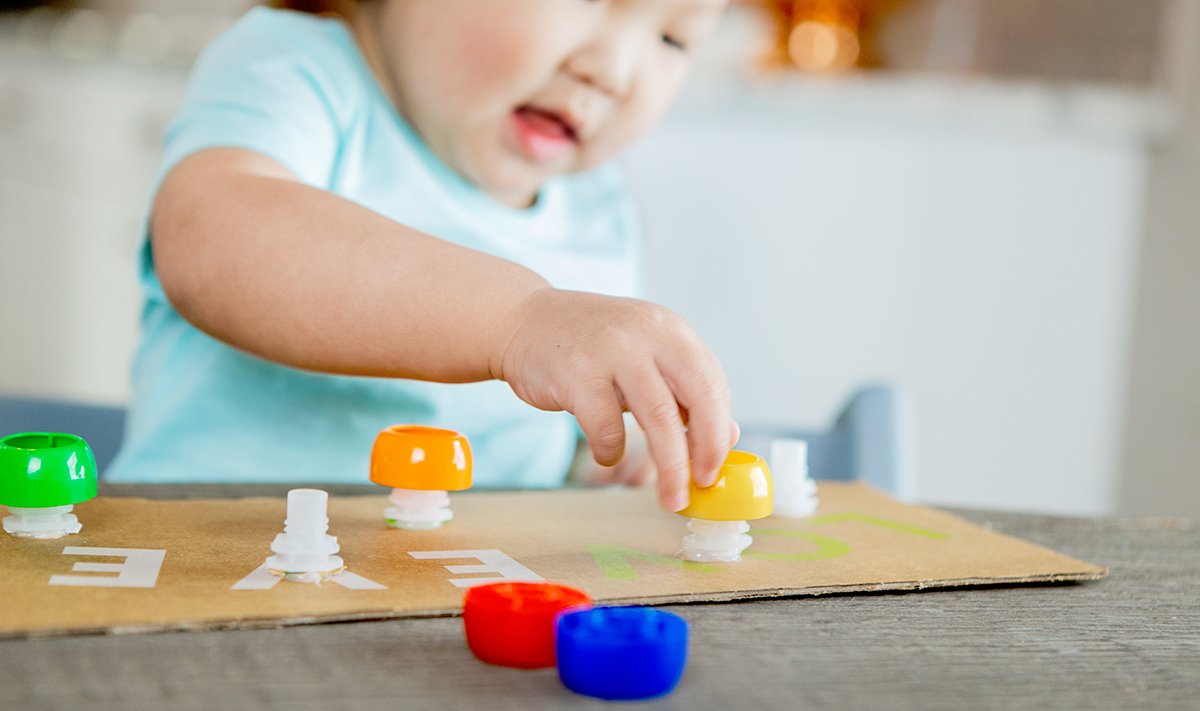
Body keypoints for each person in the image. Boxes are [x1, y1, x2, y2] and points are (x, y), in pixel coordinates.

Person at [107, 0, 735, 513]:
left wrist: (607, 461)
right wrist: (518, 321)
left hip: (448, 599)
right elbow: (215, 239)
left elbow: (538, 435)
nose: (614, 72)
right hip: (205, 557)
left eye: (675, 39)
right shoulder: (296, 67)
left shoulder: (599, 205)